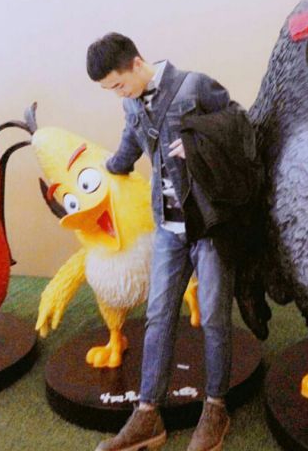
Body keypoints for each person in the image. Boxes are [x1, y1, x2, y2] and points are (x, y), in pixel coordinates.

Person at [87, 32, 234, 451]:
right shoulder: (132, 104)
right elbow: (128, 148)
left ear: (137, 64)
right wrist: (106, 169)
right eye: (110, 90)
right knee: (159, 316)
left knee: (215, 318)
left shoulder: (195, 86)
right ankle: (148, 414)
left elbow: (240, 129)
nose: (118, 94)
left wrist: (198, 143)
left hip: (209, 224)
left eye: (118, 84)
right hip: (169, 227)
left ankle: (216, 408)